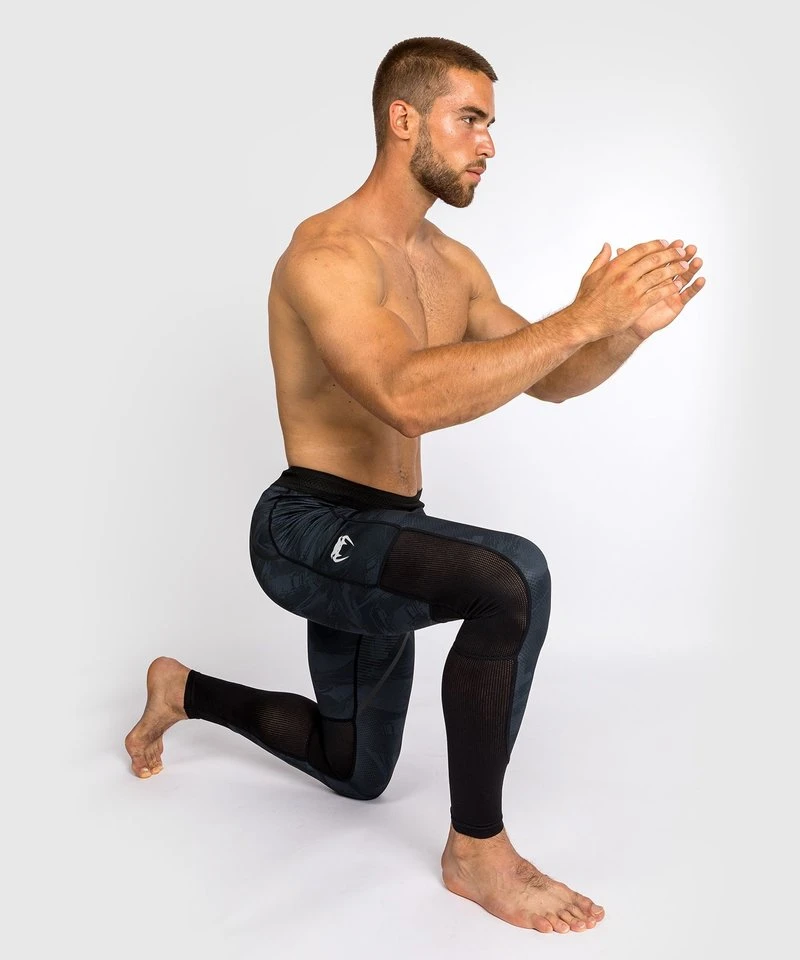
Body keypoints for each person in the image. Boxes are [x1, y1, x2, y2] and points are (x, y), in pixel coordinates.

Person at [124, 36, 705, 933]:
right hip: (306, 527)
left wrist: (620, 330)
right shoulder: (325, 254)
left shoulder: (454, 267)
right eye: (470, 119)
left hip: (388, 530)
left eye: (491, 124)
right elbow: (401, 396)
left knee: (355, 769)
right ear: (404, 119)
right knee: (511, 579)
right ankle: (478, 852)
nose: (489, 143)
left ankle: (181, 689)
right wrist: (578, 317)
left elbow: (550, 377)